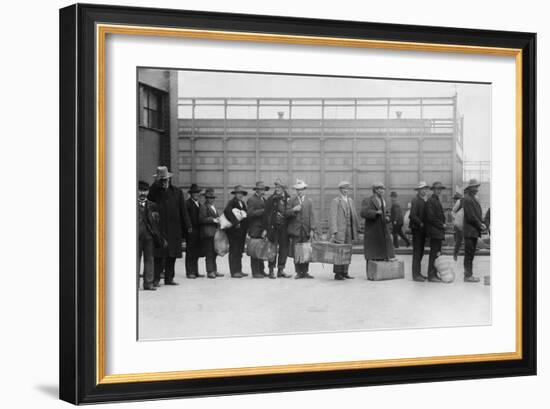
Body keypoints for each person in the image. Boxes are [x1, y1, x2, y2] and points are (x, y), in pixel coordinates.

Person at [147, 166, 191, 286]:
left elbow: (183, 211)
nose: (165, 182)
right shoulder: (155, 192)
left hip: (174, 229)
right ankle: (156, 279)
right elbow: (149, 197)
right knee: (159, 255)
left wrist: (188, 225)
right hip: (159, 228)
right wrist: (156, 185)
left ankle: (169, 278)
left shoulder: (177, 192)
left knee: (172, 255)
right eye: (162, 180)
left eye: (166, 179)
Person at [361, 182, 395, 272]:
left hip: (382, 230)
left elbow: (387, 212)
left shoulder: (383, 200)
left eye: (383, 189)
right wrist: (375, 213)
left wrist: (388, 217)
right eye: (380, 189)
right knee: (372, 254)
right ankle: (370, 274)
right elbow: (363, 213)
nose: (382, 191)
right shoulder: (368, 200)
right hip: (372, 231)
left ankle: (379, 273)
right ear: (375, 190)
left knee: (381, 253)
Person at [137, 181, 165, 291]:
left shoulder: (153, 205)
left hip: (149, 237)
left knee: (149, 259)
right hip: (135, 238)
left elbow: (157, 222)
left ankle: (148, 283)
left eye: (144, 190)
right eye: (140, 190)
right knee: (135, 260)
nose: (142, 193)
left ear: (148, 192)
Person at [329, 181, 360, 280]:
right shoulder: (336, 201)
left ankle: (345, 272)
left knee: (348, 251)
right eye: (343, 189)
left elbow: (354, 215)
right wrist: (334, 231)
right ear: (340, 190)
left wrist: (357, 228)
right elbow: (332, 217)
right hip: (340, 231)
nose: (345, 191)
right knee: (339, 252)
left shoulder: (350, 201)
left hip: (349, 230)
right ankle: (338, 273)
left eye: (347, 189)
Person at [287, 179, 317, 279]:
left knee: (306, 251)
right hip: (295, 231)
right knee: (297, 252)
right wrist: (293, 210)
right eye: (297, 190)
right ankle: (299, 272)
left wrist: (312, 229)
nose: (299, 191)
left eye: (301, 189)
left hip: (306, 230)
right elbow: (286, 213)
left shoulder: (309, 201)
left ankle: (305, 271)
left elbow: (312, 216)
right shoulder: (292, 200)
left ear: (304, 190)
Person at [264, 179, 293, 279]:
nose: (277, 189)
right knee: (272, 249)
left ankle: (281, 270)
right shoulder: (271, 199)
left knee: (284, 249)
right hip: (273, 228)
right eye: (276, 187)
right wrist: (266, 229)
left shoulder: (289, 199)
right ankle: (271, 270)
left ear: (283, 188)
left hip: (285, 228)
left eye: (279, 187)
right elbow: (266, 215)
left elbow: (292, 215)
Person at [462, 179, 486, 283]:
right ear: (470, 188)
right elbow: (471, 216)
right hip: (470, 231)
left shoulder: (472, 198)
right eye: (475, 187)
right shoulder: (467, 199)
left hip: (472, 231)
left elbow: (475, 215)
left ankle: (468, 275)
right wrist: (480, 224)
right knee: (469, 254)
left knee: (470, 254)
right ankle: (468, 276)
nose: (477, 189)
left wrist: (481, 222)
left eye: (477, 187)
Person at [424, 181, 447, 283]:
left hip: (437, 232)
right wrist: (441, 224)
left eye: (440, 189)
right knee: (434, 254)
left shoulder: (436, 200)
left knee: (437, 254)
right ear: (433, 190)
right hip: (435, 232)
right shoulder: (431, 201)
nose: (439, 191)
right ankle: (431, 275)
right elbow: (430, 217)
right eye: (437, 189)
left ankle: (434, 274)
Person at [224, 185, 249, 278]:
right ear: (235, 194)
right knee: (234, 251)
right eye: (238, 193)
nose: (240, 195)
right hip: (234, 232)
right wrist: (235, 222)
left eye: (241, 193)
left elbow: (246, 215)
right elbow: (227, 211)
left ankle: (239, 270)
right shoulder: (232, 202)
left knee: (239, 251)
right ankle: (234, 271)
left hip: (241, 232)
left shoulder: (242, 203)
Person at [198, 188, 224, 279]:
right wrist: (213, 220)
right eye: (210, 197)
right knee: (209, 252)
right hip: (208, 233)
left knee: (214, 252)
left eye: (213, 197)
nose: (212, 199)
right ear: (206, 198)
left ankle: (214, 270)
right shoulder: (203, 207)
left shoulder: (213, 207)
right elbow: (201, 219)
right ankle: (210, 271)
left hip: (214, 233)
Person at [247, 181, 270, 278]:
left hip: (262, 229)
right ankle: (255, 272)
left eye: (263, 189)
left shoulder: (263, 199)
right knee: (254, 250)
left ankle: (261, 270)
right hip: (255, 228)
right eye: (261, 189)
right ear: (257, 190)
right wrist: (263, 211)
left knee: (261, 249)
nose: (263, 191)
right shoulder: (252, 199)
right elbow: (250, 213)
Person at [409, 181, 429, 282]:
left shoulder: (422, 200)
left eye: (425, 189)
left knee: (420, 252)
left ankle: (418, 273)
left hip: (421, 231)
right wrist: (420, 223)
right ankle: (415, 275)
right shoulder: (416, 200)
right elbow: (412, 215)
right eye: (422, 189)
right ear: (419, 190)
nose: (424, 191)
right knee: (417, 253)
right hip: (417, 230)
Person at [185, 183, 204, 279]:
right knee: (190, 251)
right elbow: (186, 217)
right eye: (194, 193)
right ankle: (189, 272)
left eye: (197, 192)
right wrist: (188, 227)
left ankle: (195, 271)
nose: (196, 194)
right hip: (191, 230)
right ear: (191, 194)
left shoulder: (199, 204)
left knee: (196, 251)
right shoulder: (187, 203)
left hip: (198, 231)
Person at [451, 192, 464, 261]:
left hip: (463, 224)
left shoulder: (462, 202)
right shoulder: (459, 203)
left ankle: (456, 253)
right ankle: (455, 254)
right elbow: (452, 212)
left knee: (460, 240)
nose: (455, 201)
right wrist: (457, 218)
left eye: (456, 199)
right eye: (455, 199)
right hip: (458, 225)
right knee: (458, 240)